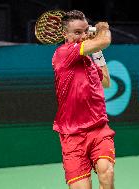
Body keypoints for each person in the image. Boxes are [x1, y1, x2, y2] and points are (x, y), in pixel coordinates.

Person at [52, 10, 115, 189]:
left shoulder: (87, 61)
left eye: (85, 31)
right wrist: (103, 29)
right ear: (65, 34)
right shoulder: (63, 53)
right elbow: (105, 39)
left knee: (107, 172)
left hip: (98, 129)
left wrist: (97, 52)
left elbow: (106, 81)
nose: (83, 36)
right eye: (77, 32)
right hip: (72, 136)